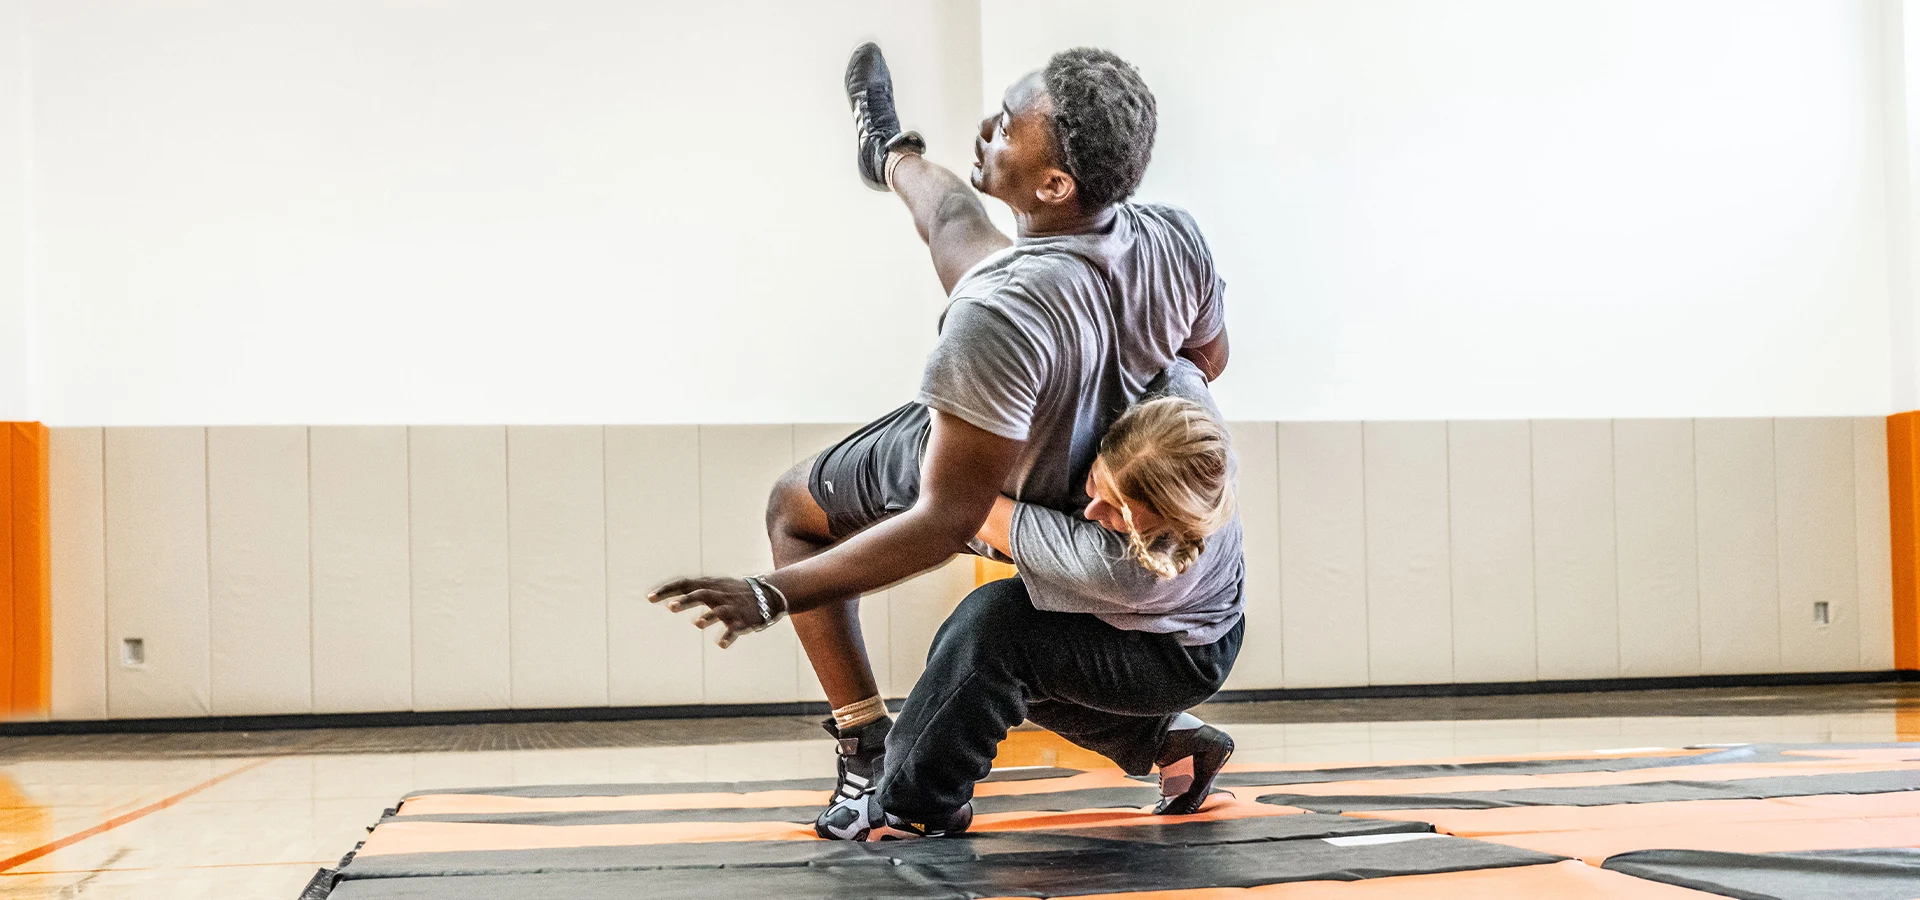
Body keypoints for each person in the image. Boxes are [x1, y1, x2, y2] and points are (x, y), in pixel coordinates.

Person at [650, 43, 1237, 837]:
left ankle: (864, 746)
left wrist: (770, 594)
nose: (989, 125)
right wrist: (1120, 410)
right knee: (960, 224)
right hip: (1094, 480)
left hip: (1030, 484)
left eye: (1009, 125)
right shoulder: (1173, 237)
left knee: (797, 510)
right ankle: (890, 155)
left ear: (1055, 184)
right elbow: (1207, 358)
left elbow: (943, 522)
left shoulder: (996, 316)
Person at [813, 356, 1247, 840]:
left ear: (1165, 521)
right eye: (1096, 485)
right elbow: (1194, 348)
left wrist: (940, 440)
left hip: (1179, 658)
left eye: (1119, 513)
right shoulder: (1182, 403)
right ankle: (1174, 743)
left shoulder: (1130, 568)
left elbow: (966, 505)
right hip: (1196, 623)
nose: (1093, 511)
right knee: (1012, 674)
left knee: (993, 633)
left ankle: (915, 806)